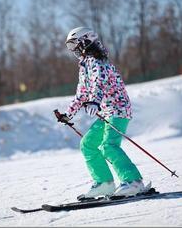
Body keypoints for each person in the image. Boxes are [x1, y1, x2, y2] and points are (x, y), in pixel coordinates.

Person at [56, 27, 151, 199]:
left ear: (85, 41)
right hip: (107, 112)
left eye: (74, 45)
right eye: (70, 47)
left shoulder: (99, 62)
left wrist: (94, 101)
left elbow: (98, 84)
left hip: (118, 109)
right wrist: (68, 114)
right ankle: (104, 184)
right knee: (88, 145)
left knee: (109, 146)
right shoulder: (85, 65)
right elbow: (82, 93)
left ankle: (133, 181)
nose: (73, 50)